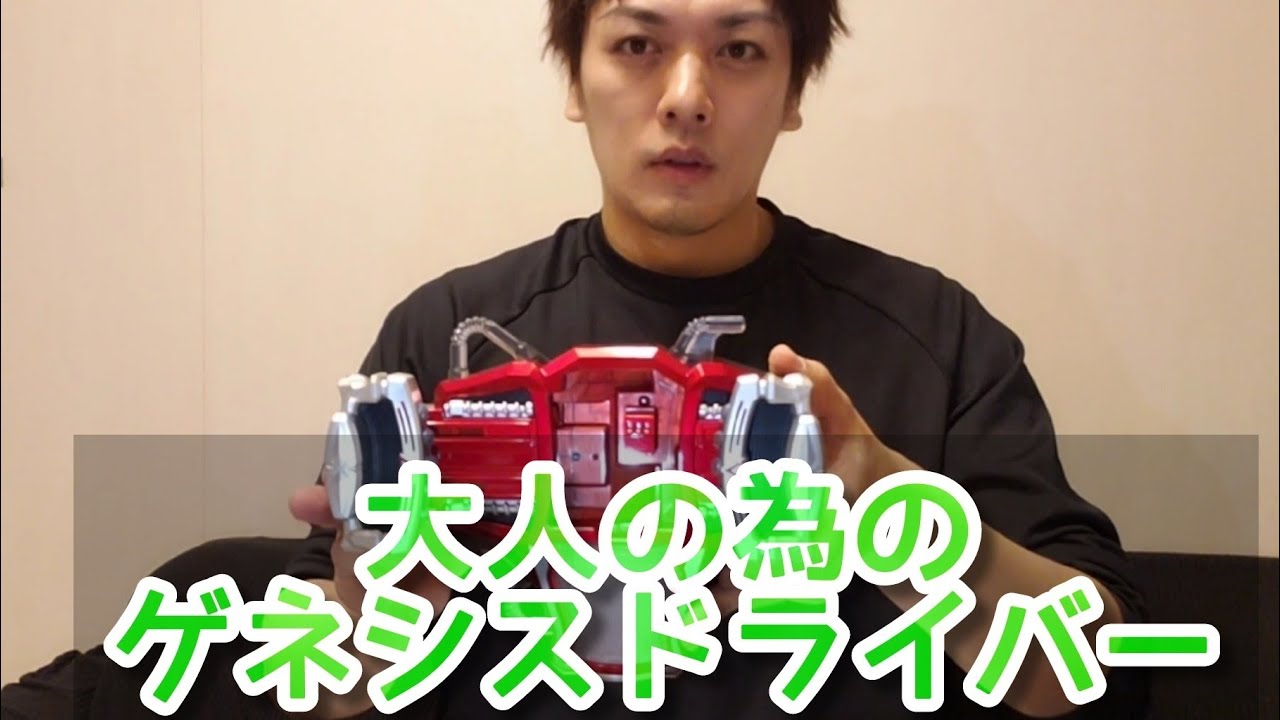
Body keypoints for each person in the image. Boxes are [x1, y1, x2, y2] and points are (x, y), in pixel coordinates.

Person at [1, 1, 1149, 718]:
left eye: (739, 50)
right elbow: (332, 690)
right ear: (575, 77)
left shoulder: (931, 335)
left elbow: (1085, 675)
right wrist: (382, 595)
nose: (685, 98)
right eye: (638, 44)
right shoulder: (449, 333)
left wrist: (889, 503)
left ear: (792, 90)